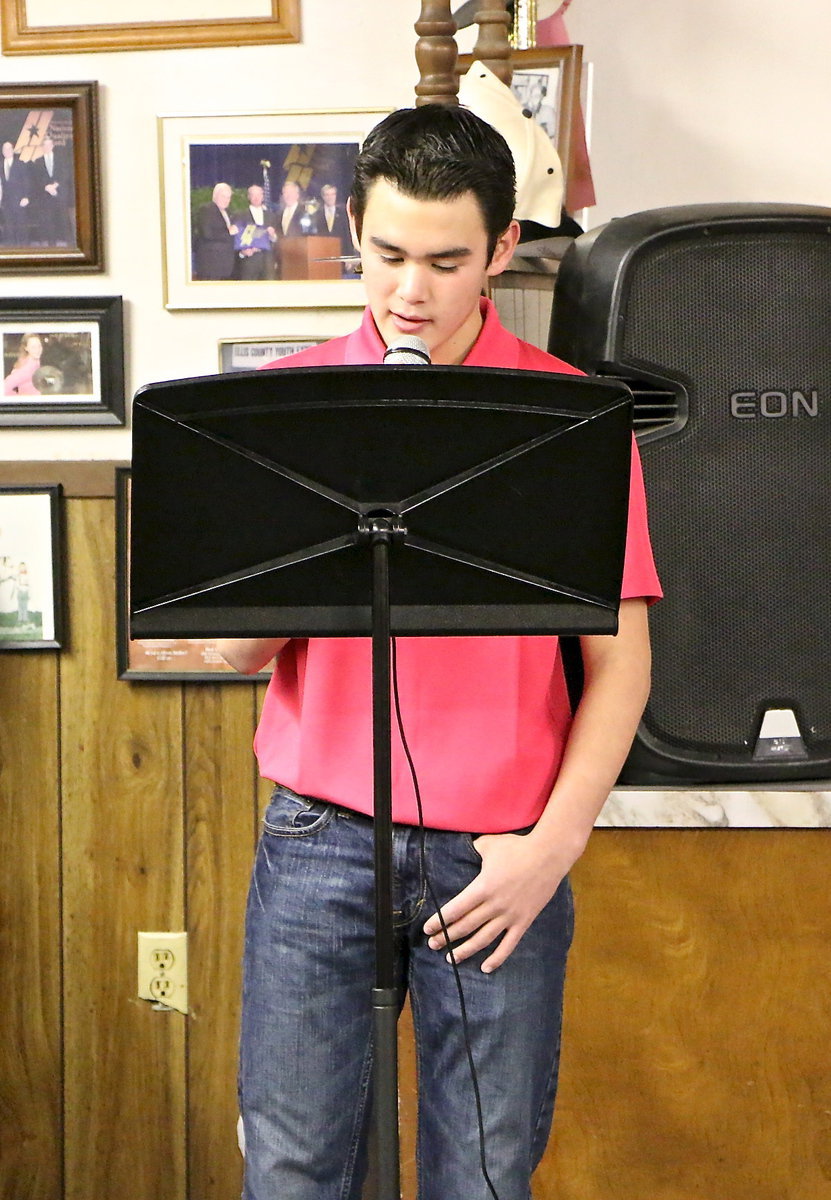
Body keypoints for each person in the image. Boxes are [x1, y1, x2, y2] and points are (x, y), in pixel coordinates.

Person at [219, 104, 661, 1200]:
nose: (410, 290)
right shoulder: (288, 403)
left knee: (485, 1176)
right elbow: (235, 650)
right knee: (292, 1170)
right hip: (318, 841)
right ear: (356, 232)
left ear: (502, 251)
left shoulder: (570, 420)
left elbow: (624, 665)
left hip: (499, 854)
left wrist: (551, 849)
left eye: (447, 261)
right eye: (387, 255)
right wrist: (331, 507)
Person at [30, 136, 74, 246]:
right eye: (45, 145)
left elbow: (66, 174)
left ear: (52, 146)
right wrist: (46, 187)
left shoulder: (61, 159)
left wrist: (55, 185)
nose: (47, 147)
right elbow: (36, 179)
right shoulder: (37, 161)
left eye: (49, 145)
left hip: (60, 194)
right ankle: (52, 244)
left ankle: (70, 244)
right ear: (42, 147)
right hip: (45, 197)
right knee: (49, 221)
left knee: (64, 219)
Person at [193, 182, 238, 280]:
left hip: (226, 266)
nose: (226, 200)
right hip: (211, 265)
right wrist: (228, 232)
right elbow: (207, 233)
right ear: (215, 195)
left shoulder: (229, 212)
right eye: (223, 196)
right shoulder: (206, 209)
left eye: (228, 197)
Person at [233, 184, 278, 280]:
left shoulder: (272, 216)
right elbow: (236, 239)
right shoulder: (240, 215)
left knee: (269, 291)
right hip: (249, 260)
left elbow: (277, 239)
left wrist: (273, 235)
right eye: (253, 195)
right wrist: (242, 252)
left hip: (268, 260)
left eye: (259, 195)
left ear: (263, 197)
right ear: (249, 197)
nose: (256, 198)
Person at [0, 140, 32, 245]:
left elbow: (26, 181)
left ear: (13, 150)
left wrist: (26, 197)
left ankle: (25, 254)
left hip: (19, 201)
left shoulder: (20, 164)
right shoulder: (0, 165)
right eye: (5, 149)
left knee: (21, 228)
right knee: (9, 229)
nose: (7, 151)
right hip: (5, 202)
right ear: (2, 151)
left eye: (9, 148)